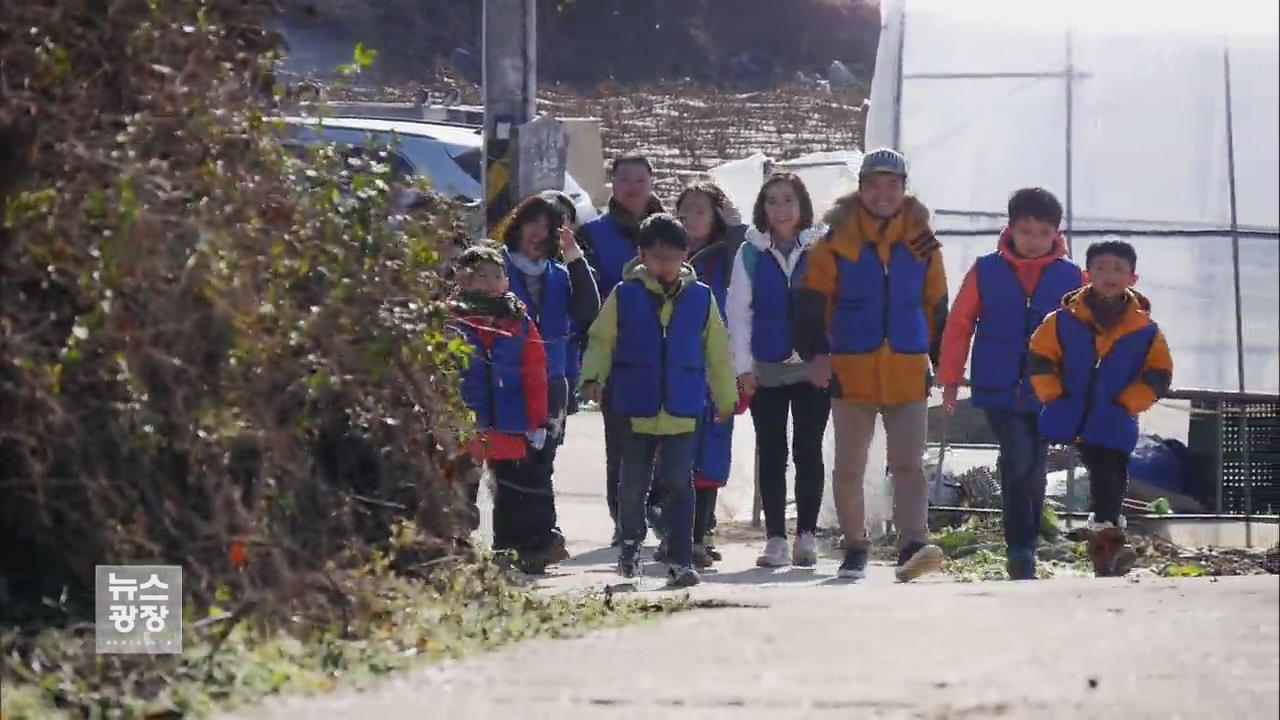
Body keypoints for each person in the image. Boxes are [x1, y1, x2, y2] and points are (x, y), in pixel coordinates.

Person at [793, 148, 948, 582]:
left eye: (892, 186)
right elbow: (810, 301)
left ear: (903, 190)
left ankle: (912, 543)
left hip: (906, 367)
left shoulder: (921, 238)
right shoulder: (835, 237)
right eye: (874, 185)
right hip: (852, 367)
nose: (883, 194)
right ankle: (855, 544)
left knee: (908, 465)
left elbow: (937, 301)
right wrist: (816, 354)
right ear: (861, 188)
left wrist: (941, 360)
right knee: (849, 466)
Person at [579, 214, 738, 587]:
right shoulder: (624, 294)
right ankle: (631, 545)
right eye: (655, 256)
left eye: (672, 256)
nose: (663, 264)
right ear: (642, 255)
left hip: (683, 407)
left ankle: (680, 559)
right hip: (636, 405)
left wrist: (724, 395)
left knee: (680, 484)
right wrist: (593, 377)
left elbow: (717, 350)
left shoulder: (701, 298)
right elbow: (602, 340)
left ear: (685, 255)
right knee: (631, 483)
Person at [936, 188, 1084, 580]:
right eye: (1025, 230)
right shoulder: (986, 270)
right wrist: (950, 378)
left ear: (1056, 233)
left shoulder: (1071, 277)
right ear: (1011, 228)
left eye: (1042, 232)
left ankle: (1026, 543)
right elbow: (959, 325)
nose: (1033, 240)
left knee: (1033, 468)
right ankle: (1019, 550)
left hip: (1048, 392)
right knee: (1020, 460)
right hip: (998, 388)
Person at [1029, 240, 1172, 577]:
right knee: (1099, 473)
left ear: (1132, 278)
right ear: (1087, 273)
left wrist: (1126, 403)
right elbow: (1039, 358)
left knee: (1113, 473)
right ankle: (1105, 538)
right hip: (1071, 410)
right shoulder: (1061, 321)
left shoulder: (1146, 330)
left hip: (1115, 415)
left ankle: (1106, 541)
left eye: (1119, 269)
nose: (1110, 275)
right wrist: (1054, 397)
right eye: (1102, 268)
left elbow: (1159, 374)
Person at [726, 173, 831, 568]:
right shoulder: (749, 253)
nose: (782, 209)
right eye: (773, 201)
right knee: (771, 452)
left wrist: (827, 356)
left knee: (808, 449)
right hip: (767, 366)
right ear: (762, 209)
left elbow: (834, 305)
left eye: (789, 200)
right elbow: (738, 313)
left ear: (802, 205)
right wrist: (743, 368)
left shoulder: (823, 247)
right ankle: (774, 539)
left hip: (811, 367)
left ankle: (806, 535)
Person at [500, 194, 601, 566]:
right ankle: (510, 540)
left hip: (552, 379)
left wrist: (575, 256)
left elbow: (589, 311)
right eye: (532, 223)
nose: (538, 234)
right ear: (518, 224)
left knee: (543, 461)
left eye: (548, 227)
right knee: (509, 460)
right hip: (506, 378)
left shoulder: (560, 273)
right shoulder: (498, 267)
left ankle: (540, 539)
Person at [447, 245, 555, 573]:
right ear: (461, 279)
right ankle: (456, 549)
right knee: (460, 486)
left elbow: (535, 372)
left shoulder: (518, 321)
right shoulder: (450, 320)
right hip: (465, 421)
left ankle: (509, 551)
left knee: (510, 491)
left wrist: (537, 419)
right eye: (481, 275)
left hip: (509, 420)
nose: (490, 282)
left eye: (497, 275)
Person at [577, 155, 666, 543]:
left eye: (640, 179)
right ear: (611, 184)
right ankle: (625, 521)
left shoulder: (668, 229)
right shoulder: (592, 234)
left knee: (667, 441)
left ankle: (662, 515)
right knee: (622, 443)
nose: (632, 186)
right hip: (618, 355)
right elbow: (583, 297)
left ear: (651, 183)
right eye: (624, 179)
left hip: (666, 354)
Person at [677, 182, 749, 568]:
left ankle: (701, 532)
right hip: (678, 369)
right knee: (676, 454)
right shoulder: (665, 252)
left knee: (713, 454)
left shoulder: (724, 258)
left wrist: (735, 227)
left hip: (717, 369)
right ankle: (680, 533)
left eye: (702, 208)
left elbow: (742, 263)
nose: (692, 215)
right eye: (685, 208)